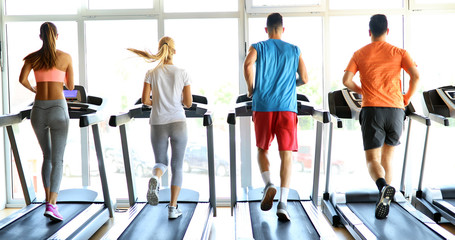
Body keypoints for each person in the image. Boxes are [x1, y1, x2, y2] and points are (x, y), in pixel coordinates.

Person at [342, 14, 420, 219]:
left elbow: (346, 80)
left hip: (372, 109)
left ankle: (383, 187)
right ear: (388, 31)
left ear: (369, 32)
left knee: (371, 160)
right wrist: (406, 98)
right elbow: (416, 76)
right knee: (388, 158)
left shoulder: (359, 53)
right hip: (396, 110)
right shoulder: (399, 52)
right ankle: (385, 198)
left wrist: (362, 91)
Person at [243, 13, 308, 221]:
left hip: (262, 105)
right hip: (287, 108)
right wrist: (291, 84)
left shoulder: (258, 46)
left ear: (266, 29)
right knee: (286, 154)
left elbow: (247, 65)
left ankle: (269, 184)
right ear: (282, 29)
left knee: (262, 149)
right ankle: (283, 203)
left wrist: (251, 89)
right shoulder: (294, 50)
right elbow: (305, 78)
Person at [127, 36, 192, 219]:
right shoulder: (182, 72)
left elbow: (146, 100)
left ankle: (155, 178)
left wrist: (159, 100)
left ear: (159, 50)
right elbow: (188, 103)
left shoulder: (151, 72)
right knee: (177, 166)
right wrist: (175, 99)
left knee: (161, 163)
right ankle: (173, 208)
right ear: (174, 51)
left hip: (157, 122)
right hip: (178, 121)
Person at [19, 22, 75, 222]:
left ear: (40, 37)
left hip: (39, 109)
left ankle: (47, 200)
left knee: (47, 156)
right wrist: (66, 87)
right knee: (58, 159)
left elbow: (22, 79)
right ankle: (53, 204)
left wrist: (35, 89)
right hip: (59, 107)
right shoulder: (66, 57)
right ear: (57, 36)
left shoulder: (32, 58)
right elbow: (70, 86)